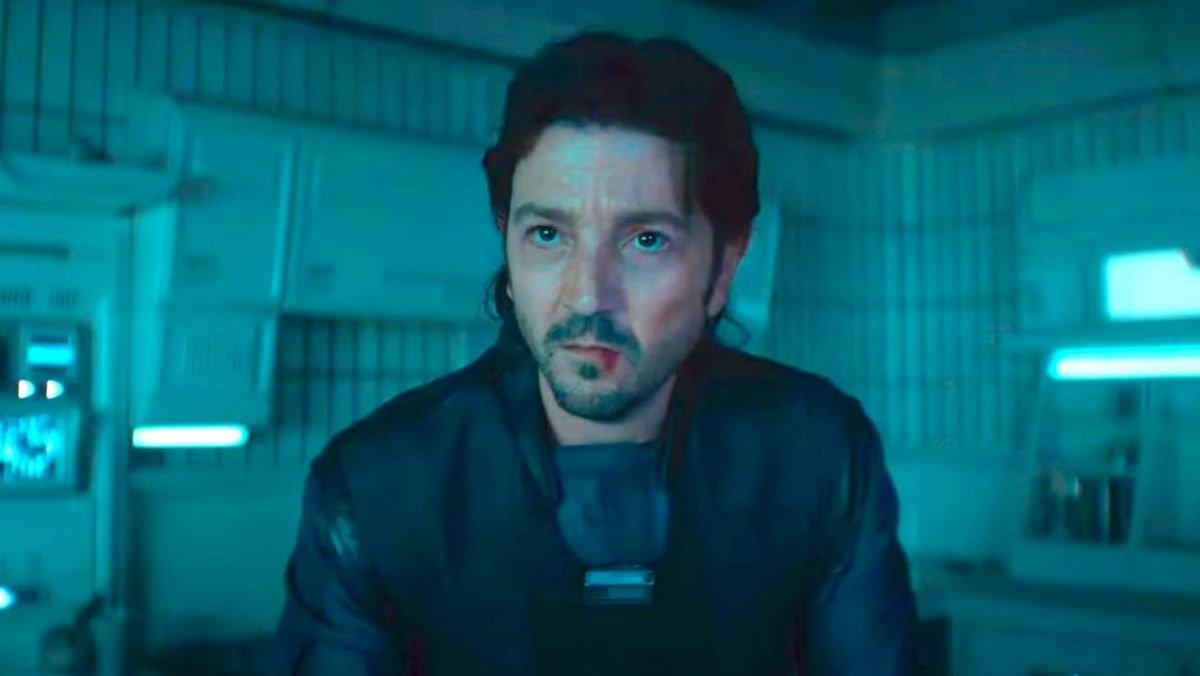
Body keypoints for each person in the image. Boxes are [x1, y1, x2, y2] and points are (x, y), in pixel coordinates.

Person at [273, 30, 919, 675]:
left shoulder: (821, 452)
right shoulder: (379, 486)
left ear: (724, 265)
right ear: (508, 243)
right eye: (547, 234)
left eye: (646, 241)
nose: (587, 296)